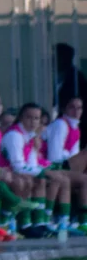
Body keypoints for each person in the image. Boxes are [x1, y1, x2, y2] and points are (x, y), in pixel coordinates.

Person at [0, 103, 70, 237]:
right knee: (27, 180)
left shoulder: (31, 137)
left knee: (42, 180)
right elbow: (17, 166)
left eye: (36, 118)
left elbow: (32, 164)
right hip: (3, 173)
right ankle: (21, 223)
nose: (33, 122)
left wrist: (47, 171)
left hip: (15, 173)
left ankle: (39, 222)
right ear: (21, 118)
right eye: (29, 118)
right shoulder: (14, 135)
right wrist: (46, 172)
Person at [43, 96, 87, 232]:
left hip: (65, 164)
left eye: (79, 108)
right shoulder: (60, 125)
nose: (76, 111)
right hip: (53, 165)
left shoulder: (75, 128)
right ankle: (82, 219)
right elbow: (54, 156)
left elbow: (73, 154)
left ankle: (81, 220)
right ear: (64, 109)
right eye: (72, 107)